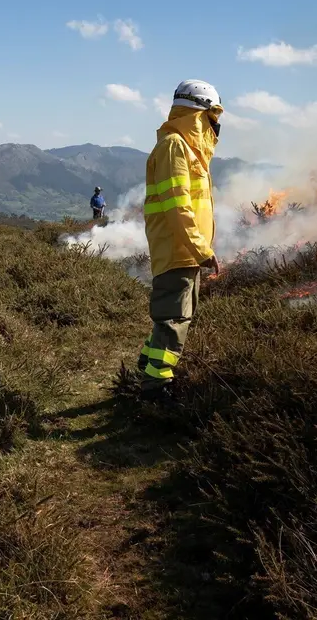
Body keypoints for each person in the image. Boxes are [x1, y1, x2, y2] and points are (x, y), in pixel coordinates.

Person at [134, 80, 222, 402]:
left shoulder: (186, 148)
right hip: (178, 249)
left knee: (175, 316)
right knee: (174, 319)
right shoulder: (175, 146)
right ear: (199, 114)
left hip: (185, 250)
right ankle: (156, 390)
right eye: (213, 117)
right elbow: (177, 206)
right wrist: (202, 249)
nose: (216, 125)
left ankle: (146, 366)